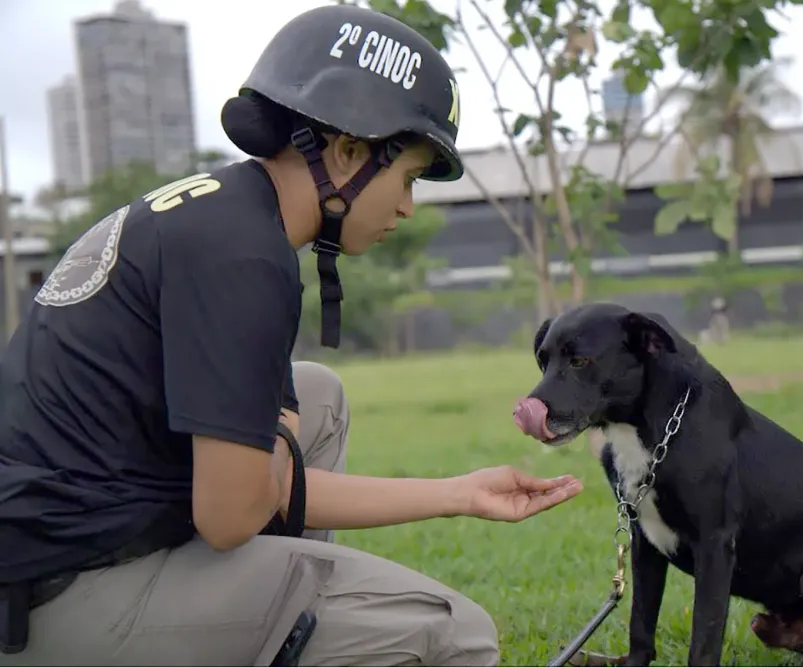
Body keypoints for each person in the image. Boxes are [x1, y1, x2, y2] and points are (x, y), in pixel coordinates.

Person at [0, 5, 583, 666]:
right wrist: (273, 440)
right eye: (408, 177)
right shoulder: (243, 258)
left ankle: (288, 629)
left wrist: (460, 493)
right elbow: (230, 516)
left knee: (317, 396)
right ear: (349, 151)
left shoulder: (227, 213)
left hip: (60, 554)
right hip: (57, 600)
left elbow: (265, 482)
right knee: (453, 633)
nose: (406, 206)